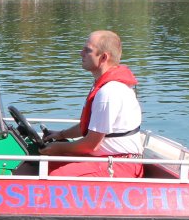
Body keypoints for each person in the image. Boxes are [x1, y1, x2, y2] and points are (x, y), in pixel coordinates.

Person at [34, 30, 143, 178]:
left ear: (104, 57)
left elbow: (91, 144)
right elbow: (88, 127)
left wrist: (58, 147)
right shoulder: (104, 87)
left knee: (56, 175)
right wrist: (60, 135)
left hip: (120, 165)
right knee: (47, 162)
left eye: (87, 50)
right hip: (107, 159)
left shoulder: (109, 92)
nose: (81, 53)